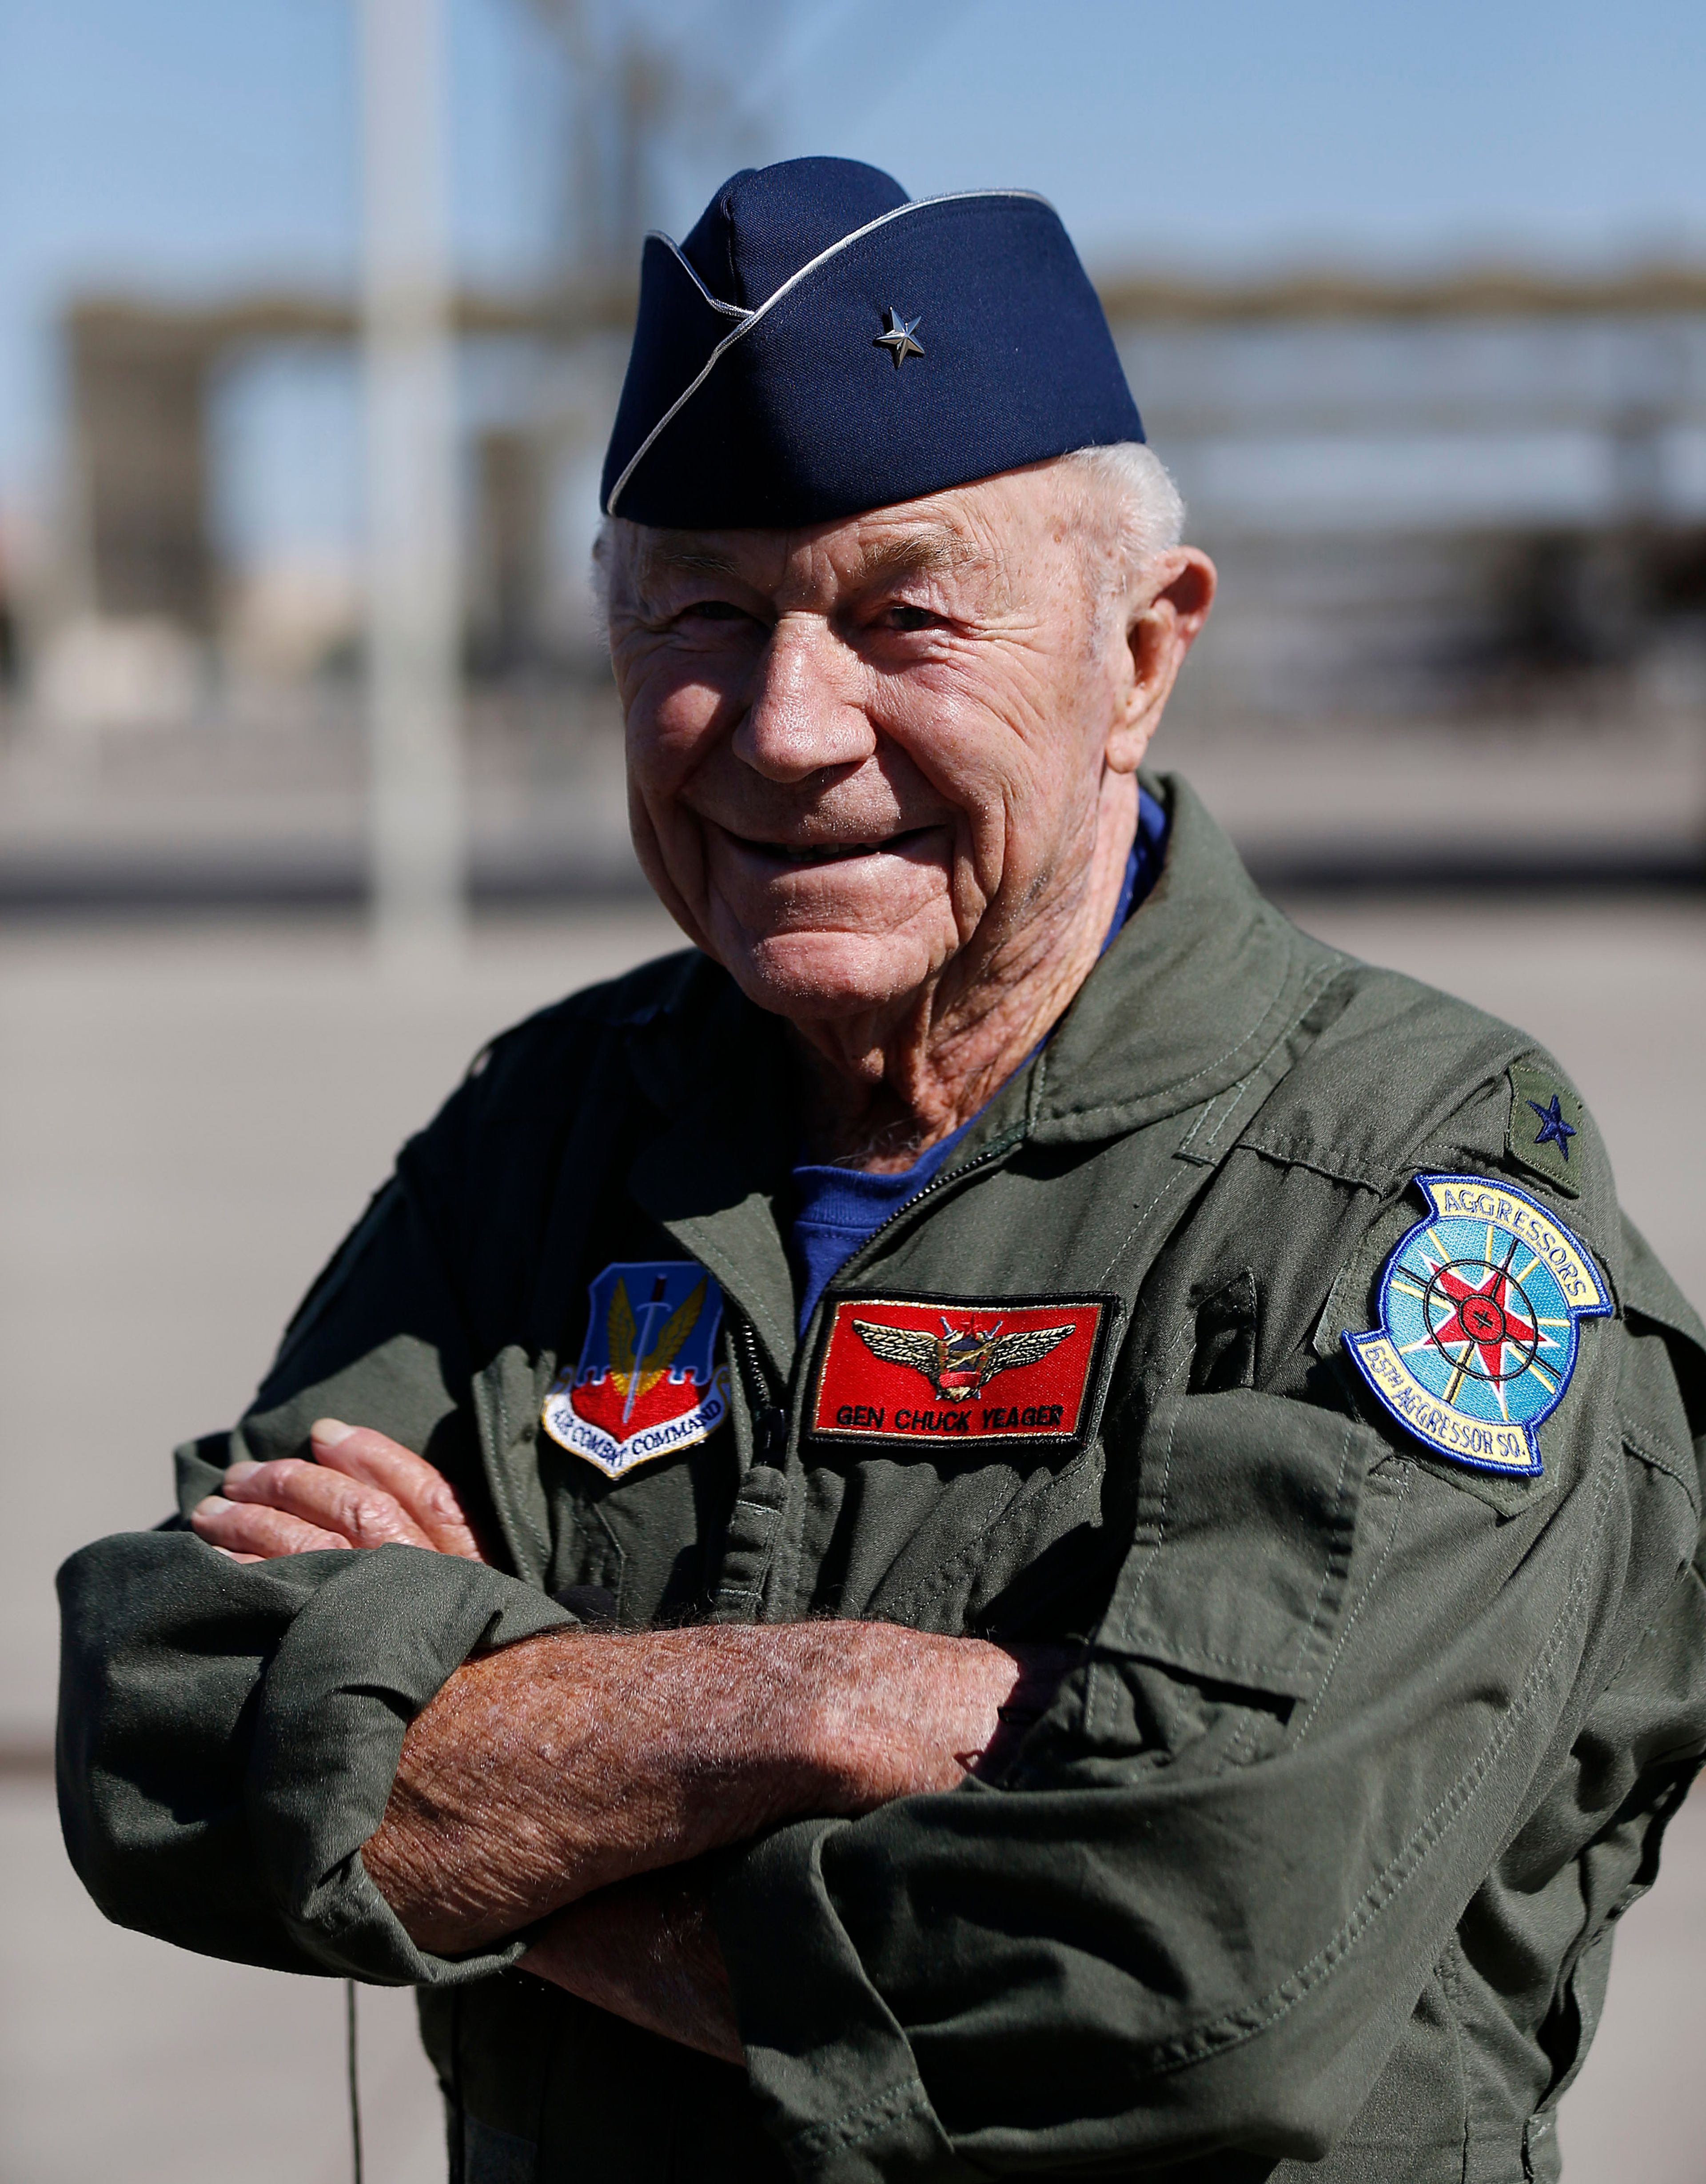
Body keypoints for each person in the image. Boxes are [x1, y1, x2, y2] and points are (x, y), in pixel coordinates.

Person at [58, 158, 1706, 2184]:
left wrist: (490, 1814)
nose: (787, 724)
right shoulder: (559, 1127)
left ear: (1143, 655)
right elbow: (168, 1717)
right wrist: (819, 1697)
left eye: (906, 613)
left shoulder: (1405, 1192)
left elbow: (1182, 1970)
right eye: (706, 614)